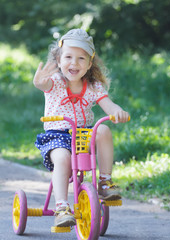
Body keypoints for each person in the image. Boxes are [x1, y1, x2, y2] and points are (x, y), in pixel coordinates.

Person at [33, 29, 130, 228]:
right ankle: (61, 207)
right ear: (59, 61)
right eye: (68, 57)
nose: (74, 63)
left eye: (81, 58)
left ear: (89, 64)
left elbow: (108, 105)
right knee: (62, 158)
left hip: (83, 134)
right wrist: (39, 82)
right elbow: (44, 85)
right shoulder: (56, 82)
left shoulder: (93, 86)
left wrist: (117, 111)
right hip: (56, 135)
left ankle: (104, 181)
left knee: (102, 130)